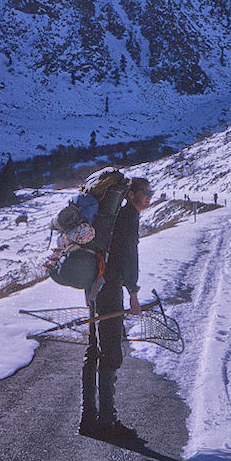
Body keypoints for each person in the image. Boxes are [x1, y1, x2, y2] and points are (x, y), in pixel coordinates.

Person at [79, 177, 153, 439]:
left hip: (94, 283)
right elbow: (128, 257)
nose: (149, 196)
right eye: (145, 192)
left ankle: (88, 419)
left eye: (150, 192)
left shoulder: (115, 215)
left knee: (94, 347)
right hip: (109, 288)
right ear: (131, 194)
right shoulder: (128, 216)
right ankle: (107, 424)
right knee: (110, 350)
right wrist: (133, 293)